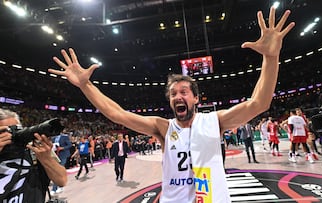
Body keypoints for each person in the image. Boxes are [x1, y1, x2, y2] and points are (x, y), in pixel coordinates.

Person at [48, 7, 294, 203]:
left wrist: (271, 57)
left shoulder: (215, 121)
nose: (178, 96)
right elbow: (117, 114)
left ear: (196, 98)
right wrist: (85, 85)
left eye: (184, 92)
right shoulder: (163, 127)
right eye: (174, 93)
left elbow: (259, 103)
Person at [0, 108, 67, 202]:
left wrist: (46, 158)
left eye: (15, 129)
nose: (10, 135)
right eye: (3, 132)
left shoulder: (35, 148)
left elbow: (62, 180)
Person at [51, 129, 72, 195]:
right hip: (56, 155)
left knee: (58, 171)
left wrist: (62, 148)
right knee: (56, 171)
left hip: (63, 155)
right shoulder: (53, 138)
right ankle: (57, 187)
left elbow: (69, 145)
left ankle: (58, 187)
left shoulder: (65, 137)